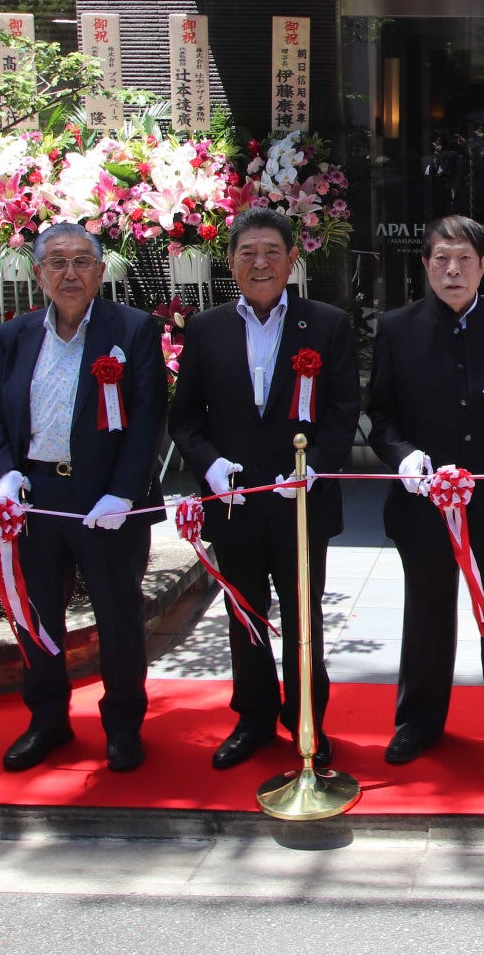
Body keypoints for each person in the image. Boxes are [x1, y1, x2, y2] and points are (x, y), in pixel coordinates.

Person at [167, 208, 360, 770]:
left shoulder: (327, 323)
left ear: (292, 260)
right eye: (248, 252)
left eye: (272, 251)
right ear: (230, 262)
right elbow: (186, 420)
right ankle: (252, 716)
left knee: (304, 618)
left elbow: (344, 409)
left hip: (302, 502)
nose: (260, 262)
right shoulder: (205, 329)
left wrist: (317, 466)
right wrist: (209, 466)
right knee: (243, 613)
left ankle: (308, 721)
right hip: (234, 505)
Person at [368, 215, 484, 765]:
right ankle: (418, 723)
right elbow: (379, 414)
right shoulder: (397, 328)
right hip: (423, 498)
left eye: (465, 260)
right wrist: (401, 456)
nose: (453, 271)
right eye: (441, 260)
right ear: (425, 264)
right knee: (426, 612)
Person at [0, 223, 167, 773]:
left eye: (83, 261)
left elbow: (148, 420)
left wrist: (124, 495)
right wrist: (5, 476)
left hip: (108, 501)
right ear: (37, 273)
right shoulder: (14, 337)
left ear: (101, 272)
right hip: (36, 495)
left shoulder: (132, 331)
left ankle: (123, 726)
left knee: (118, 617)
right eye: (57, 262)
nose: (70, 273)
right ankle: (47, 721)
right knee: (38, 616)